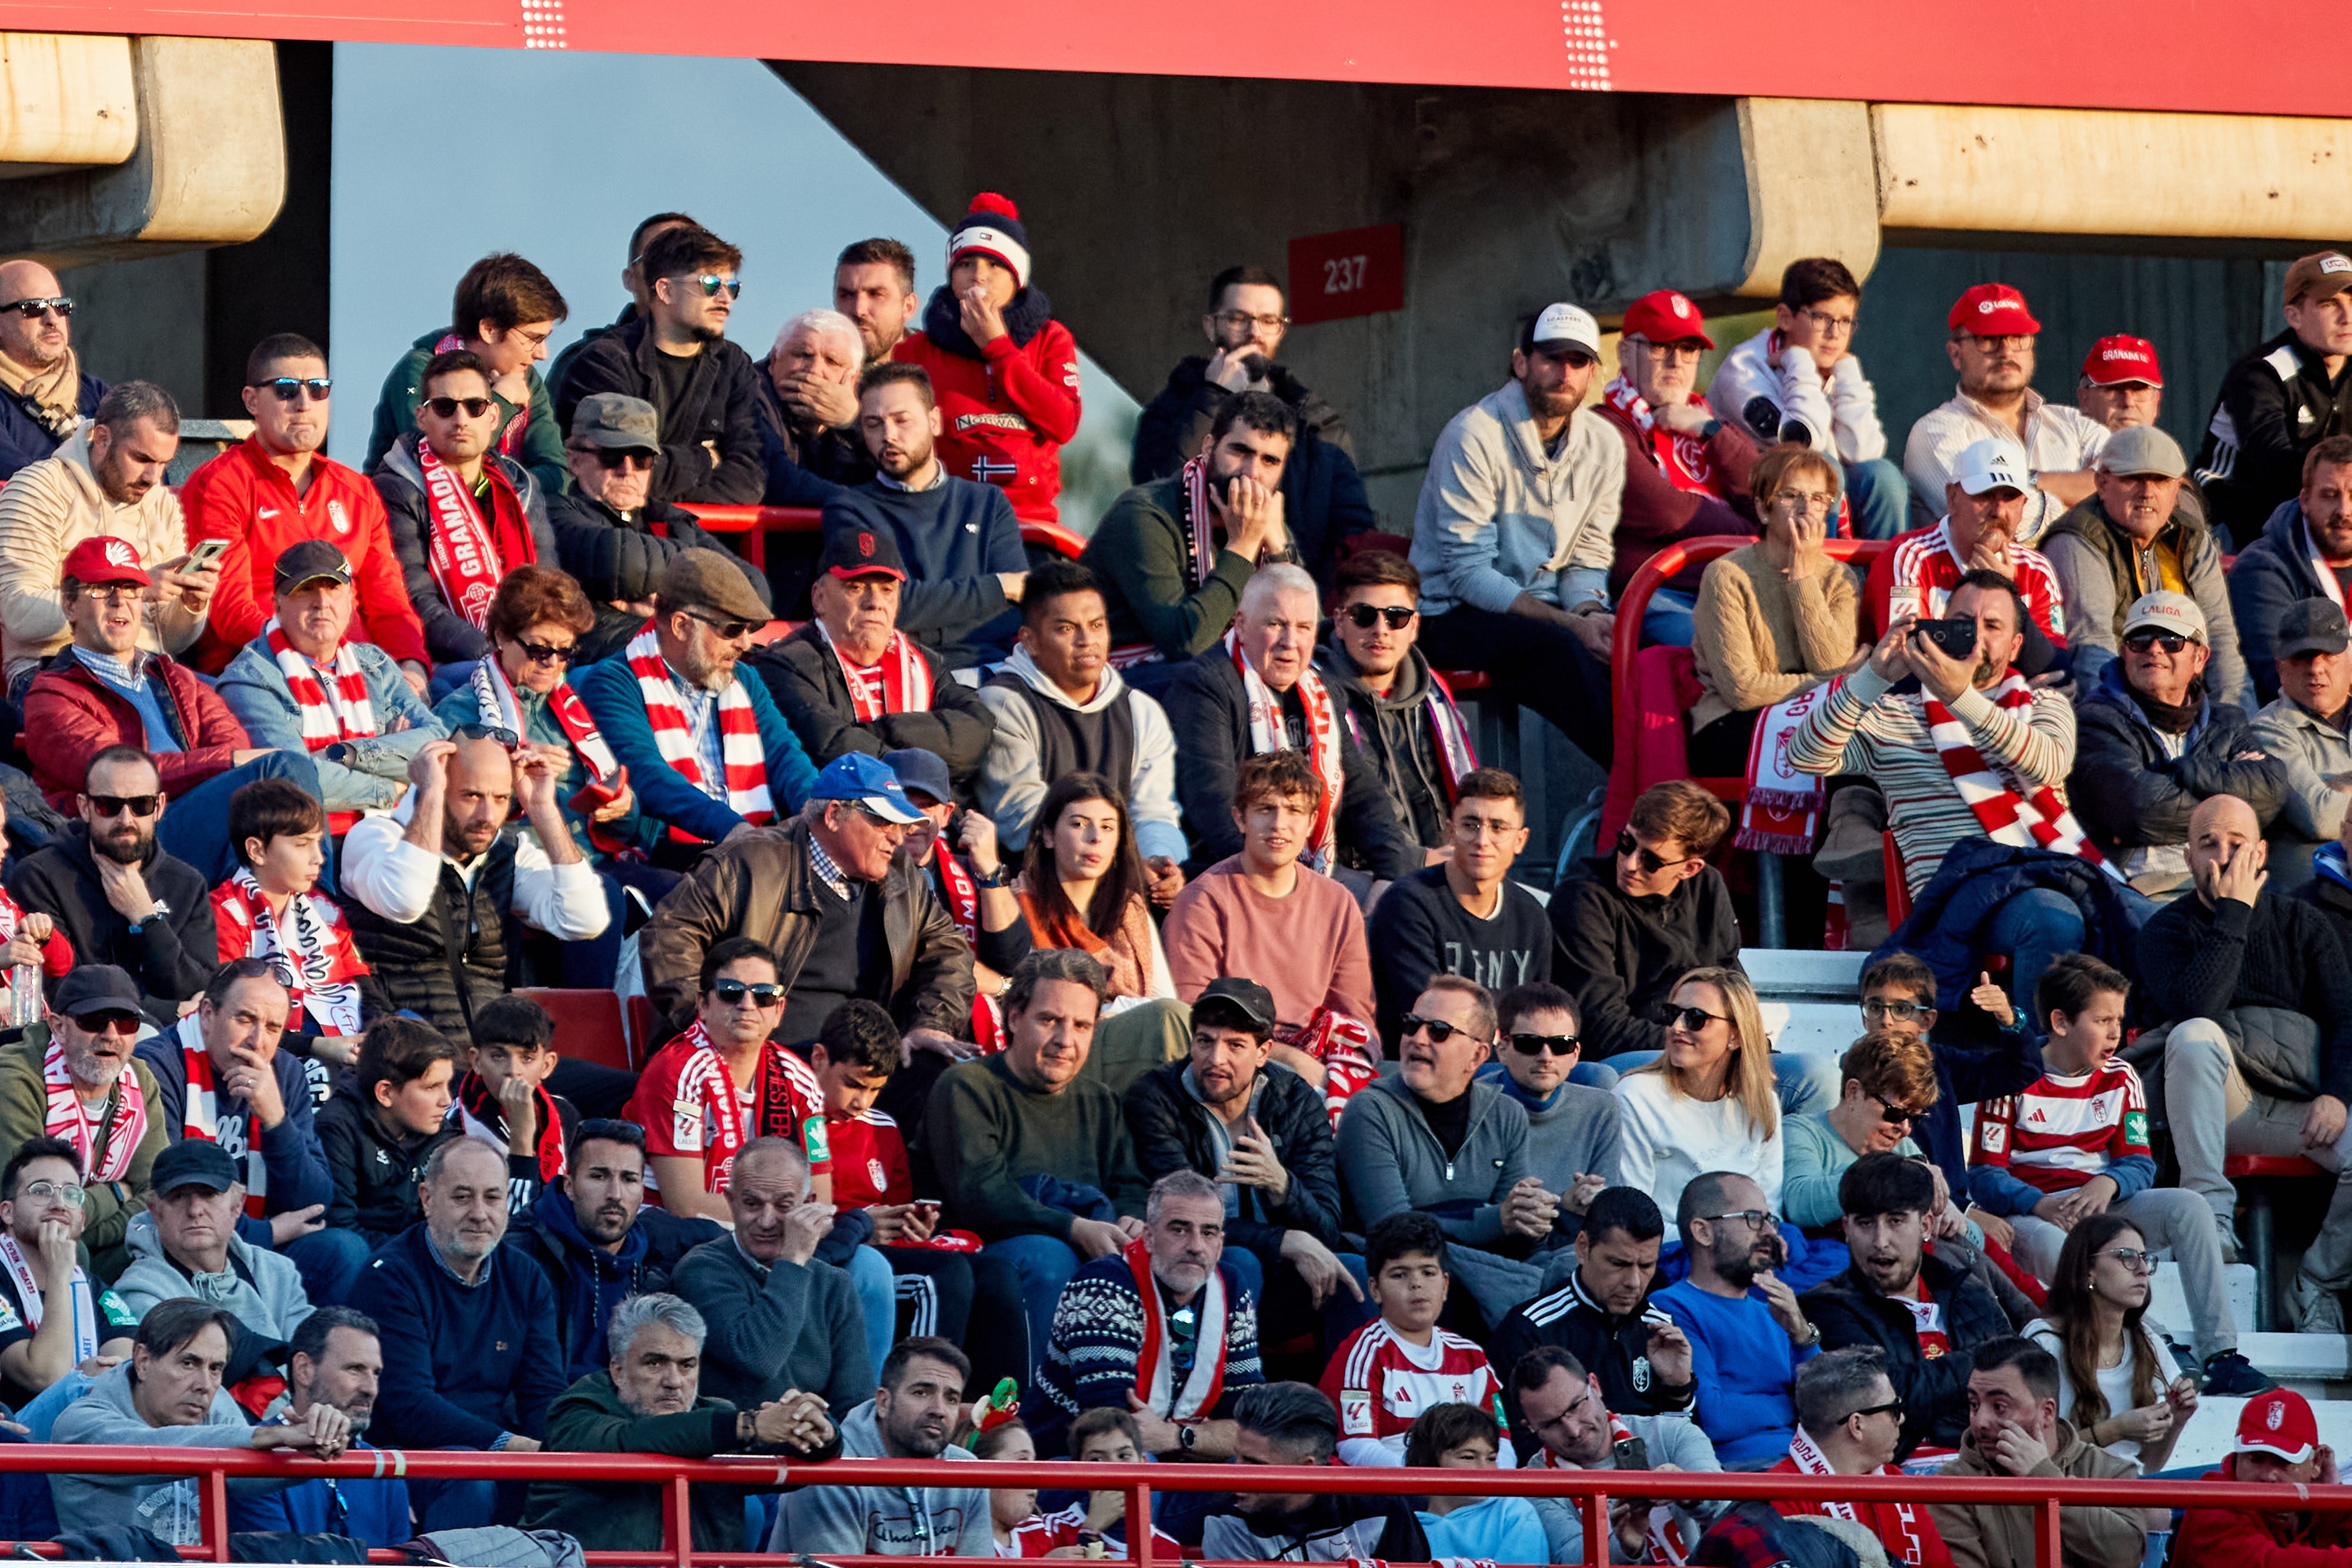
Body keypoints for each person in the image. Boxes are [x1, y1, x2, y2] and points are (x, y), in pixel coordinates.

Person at [1786, 569, 2095, 1017]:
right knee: (2051, 916)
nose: (1977, 636)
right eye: (1964, 621)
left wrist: (1959, 697)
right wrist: (1873, 676)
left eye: (1994, 626)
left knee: (2082, 915)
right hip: (1948, 902)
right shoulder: (1894, 714)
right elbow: (1805, 755)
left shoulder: (2044, 706)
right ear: (1937, 628)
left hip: (2031, 882)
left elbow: (2045, 763)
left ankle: (2045, 1063)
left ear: (2014, 647)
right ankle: (2039, 1068)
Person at [1976, 950, 2272, 1387]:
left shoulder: (2121, 1076)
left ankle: (2221, 1354)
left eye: (2119, 1019)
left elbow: (2138, 1161)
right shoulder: (2010, 1076)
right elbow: (1984, 1175)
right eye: (2102, 1021)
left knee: (2189, 1206)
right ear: (2060, 1023)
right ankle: (2155, 1343)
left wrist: (2107, 1182)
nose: (2116, 1032)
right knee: (2064, 1248)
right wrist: (2039, 1204)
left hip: (2105, 1206)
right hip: (2035, 1216)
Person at [2136, 791, 2352, 1326]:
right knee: (2193, 1033)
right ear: (2187, 858)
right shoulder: (2164, 930)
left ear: (2261, 852)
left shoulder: (2304, 923)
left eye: (2237, 843)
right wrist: (2233, 913)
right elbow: (2194, 1005)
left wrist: (2338, 1094)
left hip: (2298, 1105)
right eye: (2208, 843)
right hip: (2213, 1101)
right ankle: (2209, 1217)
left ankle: (2317, 1284)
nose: (2224, 856)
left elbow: (2348, 1019)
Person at [24, 536, 316, 884]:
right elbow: (120, 779)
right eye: (102, 590)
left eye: (132, 589)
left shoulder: (174, 676)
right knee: (284, 767)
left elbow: (233, 743)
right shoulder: (51, 695)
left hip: (200, 817)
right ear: (70, 606)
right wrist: (225, 764)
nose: (120, 602)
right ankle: (323, 902)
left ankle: (298, 905)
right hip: (133, 838)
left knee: (278, 786)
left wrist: (230, 763)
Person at [634, 752, 974, 1051]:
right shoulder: (747, 862)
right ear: (834, 815)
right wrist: (715, 1026)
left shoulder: (902, 875)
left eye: (900, 825)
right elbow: (668, 935)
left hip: (863, 1066)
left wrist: (931, 1024)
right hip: (764, 1056)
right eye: (883, 822)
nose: (898, 837)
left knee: (938, 1072)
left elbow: (950, 953)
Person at [1411, 303, 1622, 761]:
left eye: (1578, 361)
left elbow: (1587, 555)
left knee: (1637, 639)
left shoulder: (1605, 442)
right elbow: (1468, 574)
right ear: (1521, 362)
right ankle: (1642, 785)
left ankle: (1689, 774)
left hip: (1543, 609)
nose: (1564, 372)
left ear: (1592, 373)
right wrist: (1571, 626)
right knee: (1558, 648)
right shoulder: (1473, 434)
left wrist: (1588, 612)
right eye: (1551, 358)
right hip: (1447, 610)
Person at [927, 949, 1150, 1375]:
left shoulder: (1100, 1101)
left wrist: (1131, 1219)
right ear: (1014, 1017)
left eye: (1082, 1025)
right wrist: (1075, 1228)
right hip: (982, 1255)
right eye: (1050, 1020)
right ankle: (1036, 1417)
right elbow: (982, 1195)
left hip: (1083, 1245)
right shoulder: (967, 1086)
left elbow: (1132, 1185)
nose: (1066, 1040)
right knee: (1051, 1257)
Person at [1123, 977, 1361, 1355]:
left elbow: (1328, 1228)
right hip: (1200, 1260)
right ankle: (1223, 1398)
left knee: (1355, 1273)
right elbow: (1181, 1220)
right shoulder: (1156, 1099)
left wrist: (1282, 1185)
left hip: (1287, 1271)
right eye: (1205, 1041)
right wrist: (1285, 1241)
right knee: (1237, 1262)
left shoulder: (1297, 1102)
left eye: (1235, 1046)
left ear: (1264, 1052)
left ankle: (1349, 1404)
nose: (1216, 1059)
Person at [181, 333, 432, 684]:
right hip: (260, 673)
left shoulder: (357, 491)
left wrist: (411, 665)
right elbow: (231, 611)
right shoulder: (221, 484)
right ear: (252, 401)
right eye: (286, 389)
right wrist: (317, 664)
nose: (304, 403)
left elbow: (388, 603)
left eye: (318, 389)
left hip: (360, 674)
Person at [340, 736, 609, 1041]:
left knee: (620, 1089)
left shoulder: (509, 854)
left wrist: (543, 810)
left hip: (493, 1057)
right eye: (471, 796)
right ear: (438, 785)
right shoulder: (375, 837)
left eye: (501, 799)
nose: (488, 816)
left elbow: (585, 921)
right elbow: (405, 900)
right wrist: (428, 794)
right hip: (410, 1058)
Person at [525, 1292, 838, 1553]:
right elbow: (631, 1441)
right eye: (654, 1363)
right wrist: (749, 1426)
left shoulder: (716, 1416)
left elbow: (792, 1461)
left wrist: (815, 1430)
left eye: (687, 1365)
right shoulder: (574, 1411)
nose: (673, 1382)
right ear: (618, 1370)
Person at [1165, 563, 1418, 881]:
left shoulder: (1323, 689)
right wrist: (1290, 887)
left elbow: (1361, 791)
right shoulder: (1204, 686)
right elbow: (1215, 806)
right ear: (1240, 626)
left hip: (1312, 870)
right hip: (1229, 872)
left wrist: (1391, 876)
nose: (1290, 641)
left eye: (1304, 628)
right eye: (1276, 624)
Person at [806, 1000, 1018, 1372]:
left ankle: (1000, 1416)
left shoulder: (883, 1128)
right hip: (840, 1254)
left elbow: (898, 1210)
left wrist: (915, 1226)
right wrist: (858, 1227)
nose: (861, 1102)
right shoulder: (790, 1122)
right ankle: (914, 1409)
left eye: (875, 1090)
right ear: (820, 1059)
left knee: (998, 1275)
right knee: (941, 1278)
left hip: (888, 1252)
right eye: (853, 1085)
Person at [572, 547, 817, 865]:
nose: (745, 644)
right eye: (732, 629)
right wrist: (735, 830)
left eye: (750, 629)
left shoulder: (745, 679)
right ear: (681, 626)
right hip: (668, 856)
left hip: (753, 847)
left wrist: (819, 811)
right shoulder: (614, 681)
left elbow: (786, 756)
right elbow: (648, 776)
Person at [133, 958, 355, 1304]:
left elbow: (314, 1202)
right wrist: (270, 1232)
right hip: (181, 1251)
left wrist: (275, 1120)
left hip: (255, 1251)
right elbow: (163, 1198)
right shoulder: (158, 1064)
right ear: (207, 1014)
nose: (257, 1041)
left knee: (344, 1250)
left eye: (272, 1028)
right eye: (245, 1020)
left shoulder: (285, 1072)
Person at [1338, 976, 1556, 1326]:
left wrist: (1535, 1216)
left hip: (1479, 1274)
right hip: (1403, 1278)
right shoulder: (1370, 1110)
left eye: (1438, 1030)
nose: (1417, 1039)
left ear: (1478, 1055)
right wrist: (1493, 1219)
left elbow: (1512, 1237)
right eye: (1412, 1025)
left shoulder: (1506, 1115)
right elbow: (1395, 1229)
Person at [1131, 265, 1369, 582]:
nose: (1254, 333)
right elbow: (1157, 491)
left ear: (1281, 330)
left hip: (1295, 611)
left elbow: (1353, 537)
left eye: (1269, 321)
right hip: (1196, 600)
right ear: (1210, 326)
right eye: (1237, 319)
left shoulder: (1318, 423)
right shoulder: (1170, 412)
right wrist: (1212, 397)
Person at [48, 1299, 349, 1544]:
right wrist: (264, 1436)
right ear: (142, 1362)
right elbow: (156, 1449)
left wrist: (315, 1442)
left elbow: (244, 1475)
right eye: (188, 1363)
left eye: (216, 1368)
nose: (205, 1384)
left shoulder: (213, 1405)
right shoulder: (80, 1422)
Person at [977, 557, 1188, 888]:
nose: (1086, 641)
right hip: (1033, 896)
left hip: (1120, 888)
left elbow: (1154, 812)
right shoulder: (1003, 704)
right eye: (1066, 629)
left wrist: (1157, 860)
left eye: (1097, 625)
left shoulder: (1141, 711)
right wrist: (1127, 866)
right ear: (1029, 641)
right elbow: (1023, 821)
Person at [214, 540, 445, 838]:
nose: (322, 602)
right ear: (278, 604)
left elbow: (436, 744)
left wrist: (345, 754)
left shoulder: (376, 665)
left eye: (333, 588)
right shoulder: (249, 680)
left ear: (350, 599)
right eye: (306, 589)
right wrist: (391, 783)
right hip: (310, 843)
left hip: (394, 831)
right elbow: (295, 778)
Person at [0, 380, 213, 694]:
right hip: (53, 669)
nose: (153, 478)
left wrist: (190, 605)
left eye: (163, 463)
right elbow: (19, 613)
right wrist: (136, 588)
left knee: (235, 704)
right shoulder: (39, 489)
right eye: (141, 459)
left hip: (148, 669)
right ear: (101, 438)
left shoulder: (163, 504)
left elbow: (169, 639)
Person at [1033, 1169, 1262, 1459]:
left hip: (1174, 1458)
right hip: (1070, 1465)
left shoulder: (1232, 1287)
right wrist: (1208, 1436)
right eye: (1179, 1230)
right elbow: (1113, 1429)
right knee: (1136, 1462)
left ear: (1220, 1245)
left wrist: (1179, 1436)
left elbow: (1250, 1429)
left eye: (1208, 1232)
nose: (1195, 1246)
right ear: (1149, 1238)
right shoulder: (1103, 1284)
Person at [1162, 751, 1378, 1055]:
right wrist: (1286, 1057)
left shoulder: (1339, 903)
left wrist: (1349, 1067)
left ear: (1312, 822)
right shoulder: (1203, 900)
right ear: (1241, 818)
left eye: (1293, 811)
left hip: (1321, 1061)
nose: (1279, 824)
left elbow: (1354, 1015)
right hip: (1231, 1061)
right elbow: (1194, 1016)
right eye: (1266, 809)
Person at [362, 1136, 564, 1456]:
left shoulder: (525, 1277)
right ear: (427, 1200)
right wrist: (516, 1448)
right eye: (462, 1197)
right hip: (411, 1460)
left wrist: (556, 1456)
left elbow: (543, 1392)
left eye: (493, 1198)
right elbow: (411, 1406)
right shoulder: (389, 1278)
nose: (479, 1214)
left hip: (500, 1454)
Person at [2070, 590, 2284, 891]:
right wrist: (2235, 809)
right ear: (2124, 651)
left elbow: (2272, 792)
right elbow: (2139, 810)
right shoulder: (2096, 720)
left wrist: (2184, 771)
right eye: (2140, 640)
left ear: (2200, 658)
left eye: (2172, 640)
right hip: (2142, 888)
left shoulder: (2229, 721)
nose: (2154, 650)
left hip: (2234, 882)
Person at [824, 362, 1028, 670]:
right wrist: (997, 587)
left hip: (998, 670)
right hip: (905, 675)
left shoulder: (988, 502)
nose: (888, 435)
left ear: (935, 421)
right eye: (874, 424)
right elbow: (893, 607)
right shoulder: (850, 507)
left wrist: (929, 616)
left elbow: (1018, 606)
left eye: (901, 420)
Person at [434, 563, 639, 868]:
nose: (553, 664)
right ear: (502, 636)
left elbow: (626, 828)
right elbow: (448, 819)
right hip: (520, 868)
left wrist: (624, 806)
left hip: (596, 858)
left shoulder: (578, 706)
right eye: (539, 650)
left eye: (565, 652)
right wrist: (513, 774)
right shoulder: (460, 712)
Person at [1801, 1153, 2006, 1457]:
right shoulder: (1826, 1306)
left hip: (1990, 1465)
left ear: (1925, 1225)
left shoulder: (1967, 1291)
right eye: (1865, 1223)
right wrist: (1981, 1361)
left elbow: (2018, 1372)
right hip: (1899, 1480)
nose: (1880, 1241)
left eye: (1896, 1221)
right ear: (1846, 1228)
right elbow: (1891, 1399)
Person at [893, 193, 1081, 524]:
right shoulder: (916, 351)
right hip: (944, 522)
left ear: (1017, 278)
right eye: (966, 264)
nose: (978, 276)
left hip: (1030, 525)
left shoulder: (1051, 338)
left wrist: (998, 347)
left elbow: (1063, 423)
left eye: (994, 265)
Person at [751, 521, 992, 777]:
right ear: (818, 598)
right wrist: (923, 761)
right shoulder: (783, 666)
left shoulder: (924, 663)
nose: (875, 603)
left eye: (887, 590)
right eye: (855, 588)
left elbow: (976, 733)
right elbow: (835, 750)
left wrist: (881, 730)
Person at [548, 392, 771, 666]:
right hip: (610, 668)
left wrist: (668, 605)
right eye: (612, 456)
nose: (627, 470)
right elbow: (622, 561)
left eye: (642, 458)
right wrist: (702, 595)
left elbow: (754, 594)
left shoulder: (670, 520)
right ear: (575, 460)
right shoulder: (556, 512)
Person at [1591, 289, 1761, 644]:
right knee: (1715, 652)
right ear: (1624, 352)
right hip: (1658, 593)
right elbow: (1666, 511)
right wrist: (1752, 532)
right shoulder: (1606, 426)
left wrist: (1708, 430)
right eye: (1658, 346)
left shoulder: (1708, 421)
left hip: (1736, 589)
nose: (1676, 361)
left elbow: (1768, 494)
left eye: (1688, 349)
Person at [1085, 391, 1301, 670]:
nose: (1253, 472)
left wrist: (1279, 554)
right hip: (1128, 679)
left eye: (1269, 461)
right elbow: (1186, 643)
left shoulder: (1269, 524)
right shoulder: (1145, 514)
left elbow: (1308, 647)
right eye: (1240, 451)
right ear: (1209, 447)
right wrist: (1243, 547)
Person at [373, 349, 559, 671]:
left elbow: (551, 589)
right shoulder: (395, 490)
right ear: (421, 418)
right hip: (446, 664)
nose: (460, 420)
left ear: (493, 417)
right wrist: (496, 655)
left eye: (475, 407)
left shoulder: (522, 489)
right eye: (445, 408)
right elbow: (416, 602)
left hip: (527, 658)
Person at [554, 223, 765, 506]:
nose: (725, 298)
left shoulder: (734, 365)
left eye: (733, 288)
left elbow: (752, 481)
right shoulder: (604, 362)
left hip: (705, 539)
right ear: (664, 290)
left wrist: (661, 485)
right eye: (710, 284)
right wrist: (707, 459)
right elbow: (616, 471)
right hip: (620, 535)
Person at [501, 1118, 726, 1385]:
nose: (615, 1194)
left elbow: (737, 1240)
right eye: (599, 1176)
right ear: (569, 1186)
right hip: (552, 1413)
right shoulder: (524, 1253)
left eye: (629, 1179)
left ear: (642, 1191)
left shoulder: (658, 1251)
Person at [1686, 443, 1863, 776]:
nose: (1806, 508)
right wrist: (1832, 682)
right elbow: (1742, 690)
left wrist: (1803, 577)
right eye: (1791, 495)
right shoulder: (1726, 575)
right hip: (1732, 722)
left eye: (1818, 498)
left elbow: (1831, 662)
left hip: (1818, 719)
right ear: (1764, 509)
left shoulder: (1841, 577)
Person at [626, 937, 833, 1219]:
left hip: (767, 1237)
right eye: (731, 991)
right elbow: (687, 1206)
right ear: (703, 1005)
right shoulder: (676, 1072)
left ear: (779, 1011)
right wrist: (781, 1217)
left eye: (764, 995)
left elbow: (820, 1201)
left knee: (869, 1263)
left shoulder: (801, 1081)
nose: (747, 1004)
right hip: (677, 1236)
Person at [8, 748, 216, 1028]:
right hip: (80, 1037)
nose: (126, 820)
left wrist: (146, 918)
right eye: (109, 805)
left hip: (178, 1041)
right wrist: (170, 1012)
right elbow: (64, 989)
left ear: (160, 806)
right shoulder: (40, 876)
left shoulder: (187, 883)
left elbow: (199, 988)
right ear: (84, 807)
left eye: (141, 805)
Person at [2043, 424, 2249, 703]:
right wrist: (2127, 730)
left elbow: (2220, 636)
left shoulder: (2191, 537)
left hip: (2185, 707)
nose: (2147, 492)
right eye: (2133, 478)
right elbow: (2093, 652)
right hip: (2117, 709)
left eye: (2160, 480)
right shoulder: (2076, 540)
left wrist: (2234, 718)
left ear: (2177, 488)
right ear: (2103, 483)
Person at [667, 1135, 873, 1414]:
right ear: (730, 1201)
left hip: (814, 1449)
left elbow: (855, 1404)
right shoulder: (701, 1269)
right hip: (731, 1450)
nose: (766, 1221)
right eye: (752, 1204)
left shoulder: (834, 1284)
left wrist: (826, 1435)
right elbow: (758, 1357)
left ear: (808, 1204)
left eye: (783, 1207)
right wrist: (792, 1262)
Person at [1709, 257, 1909, 540]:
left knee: (1883, 477)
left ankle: (1883, 579)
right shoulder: (1744, 370)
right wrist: (1800, 362)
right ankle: (1817, 578)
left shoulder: (1837, 367)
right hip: (1756, 506)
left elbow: (1863, 452)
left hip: (1815, 498)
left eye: (1845, 322)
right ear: (1785, 318)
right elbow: (1805, 441)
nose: (1835, 334)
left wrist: (1848, 372)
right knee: (1823, 470)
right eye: (1821, 318)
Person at [1362, 760, 1551, 1054]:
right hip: (1427, 1065)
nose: (1482, 840)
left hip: (1509, 1070)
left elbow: (1540, 1017)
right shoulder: (1408, 904)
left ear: (1520, 840)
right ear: (1450, 831)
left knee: (1597, 1079)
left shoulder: (1531, 917)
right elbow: (1434, 1021)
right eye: (1470, 825)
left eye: (1498, 827)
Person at [1550, 781, 1745, 1061]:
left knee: (1812, 1074)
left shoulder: (1708, 888)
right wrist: (1709, 1046)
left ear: (1690, 869)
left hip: (1700, 1050)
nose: (1630, 864)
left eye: (1651, 861)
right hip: (1621, 1060)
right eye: (1626, 843)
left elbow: (1732, 988)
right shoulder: (1583, 898)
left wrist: (1743, 1045)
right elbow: (1601, 1028)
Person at [1903, 284, 2108, 541]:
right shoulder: (1935, 432)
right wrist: (2094, 504)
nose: (2007, 351)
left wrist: (2032, 481)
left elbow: (2127, 483)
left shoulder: (2075, 424)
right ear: (1956, 355)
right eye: (1988, 339)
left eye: (2018, 337)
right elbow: (2001, 524)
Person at [1863, 439, 2070, 692]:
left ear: (2023, 506)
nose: (1998, 511)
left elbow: (2056, 671)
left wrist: (2008, 595)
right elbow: (1904, 665)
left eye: (2010, 497)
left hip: (2013, 715)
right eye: (1985, 496)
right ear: (1952, 498)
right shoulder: (1910, 556)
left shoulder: (2037, 569)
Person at [213, 777, 379, 1093]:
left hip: (345, 1044)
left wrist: (373, 1037)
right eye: (302, 845)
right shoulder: (224, 912)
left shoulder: (324, 909)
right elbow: (231, 1018)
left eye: (319, 842)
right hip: (279, 1055)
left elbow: (365, 989)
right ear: (257, 850)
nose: (319, 857)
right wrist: (317, 1045)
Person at [1314, 550, 1480, 861]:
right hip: (1356, 875)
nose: (1381, 629)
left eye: (1396, 617)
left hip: (1447, 866)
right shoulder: (1313, 698)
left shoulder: (1435, 696)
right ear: (1338, 621)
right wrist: (1416, 862)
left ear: (1414, 626)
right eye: (1364, 615)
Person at [366, 252, 573, 499]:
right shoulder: (420, 371)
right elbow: (437, 468)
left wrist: (500, 489)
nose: (542, 354)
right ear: (489, 330)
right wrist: (501, 402)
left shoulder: (524, 377)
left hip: (505, 525)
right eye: (532, 339)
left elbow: (557, 473)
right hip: (415, 523)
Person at [1929, 1338, 2148, 1568]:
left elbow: (2126, 1556)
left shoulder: (2108, 1469)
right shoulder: (1950, 1487)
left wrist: (2044, 1478)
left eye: (1999, 1407)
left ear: (2047, 1412)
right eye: (1974, 1404)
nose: (1980, 1421)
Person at [1653, 1169, 1823, 1465]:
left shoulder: (1773, 1311)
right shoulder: (1671, 1306)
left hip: (1810, 1468)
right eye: (1753, 1219)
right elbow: (1716, 1417)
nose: (1770, 1232)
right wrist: (1795, 1406)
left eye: (1770, 1220)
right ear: (1703, 1232)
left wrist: (1802, 1336)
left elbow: (1827, 1411)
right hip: (1745, 1475)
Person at [1486, 1183, 1690, 1425]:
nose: (1634, 1283)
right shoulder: (1531, 1330)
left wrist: (1679, 1388)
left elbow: (1679, 1436)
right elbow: (1516, 1437)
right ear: (1582, 1248)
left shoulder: (1661, 1328)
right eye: (1619, 1264)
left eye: (1646, 1266)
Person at [775, 1335, 995, 1556]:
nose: (939, 1409)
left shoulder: (967, 1471)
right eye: (921, 1392)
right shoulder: (830, 1472)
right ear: (883, 1403)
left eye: (951, 1399)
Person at [1318, 1212, 1508, 1467]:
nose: (1416, 1284)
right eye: (1399, 1275)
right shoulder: (1364, 1354)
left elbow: (1503, 1444)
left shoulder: (1473, 1357)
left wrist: (1489, 1487)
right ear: (1375, 1289)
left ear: (1445, 1286)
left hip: (1475, 1493)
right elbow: (1355, 1447)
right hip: (1399, 1498)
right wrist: (1433, 1483)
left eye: (1428, 1272)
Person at [1507, 1343, 1723, 1565]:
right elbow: (1568, 1554)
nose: (1573, 1430)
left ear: (1595, 1386)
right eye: (1551, 1423)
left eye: (1576, 1407)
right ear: (1531, 1427)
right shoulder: (1533, 1483)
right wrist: (1625, 1546)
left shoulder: (1671, 1433)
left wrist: (1687, 1492)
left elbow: (1724, 1506)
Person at [1853, 951, 2043, 1202]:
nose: (1886, 1020)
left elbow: (2022, 1069)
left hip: (1952, 1203)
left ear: (1927, 1020)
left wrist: (2009, 1019)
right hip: (1888, 1204)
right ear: (1864, 1015)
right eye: (1876, 1007)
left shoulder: (1942, 1065)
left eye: (1902, 1009)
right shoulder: (1851, 1073)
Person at [2194, 250, 2352, 545]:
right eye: (2330, 304)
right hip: (2231, 521)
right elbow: (2273, 467)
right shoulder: (2260, 372)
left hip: (2323, 516)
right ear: (2294, 315)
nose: (2348, 317)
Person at [2021, 1213, 2199, 1470]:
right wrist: (2116, 1430)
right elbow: (2032, 1455)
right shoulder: (2045, 1343)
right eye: (2127, 1256)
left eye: (2145, 1259)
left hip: (2127, 1492)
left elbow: (2148, 1466)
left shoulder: (2147, 1341)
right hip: (2065, 1493)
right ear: (2087, 1271)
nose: (2143, 1270)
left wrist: (2177, 1420)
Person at [226, 1308, 412, 1549]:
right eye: (355, 1369)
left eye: (375, 1373)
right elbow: (274, 1563)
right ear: (304, 1370)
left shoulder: (386, 1471)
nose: (371, 1389)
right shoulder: (254, 1460)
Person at [884, 747, 1035, 1033]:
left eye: (926, 806)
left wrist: (990, 870)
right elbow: (917, 962)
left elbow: (1012, 958)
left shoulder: (968, 870)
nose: (911, 818)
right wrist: (1000, 985)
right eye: (900, 802)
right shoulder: (865, 872)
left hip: (971, 1025)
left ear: (946, 814)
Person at [1615, 967, 1783, 1215]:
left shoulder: (1763, 1102)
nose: (1677, 1028)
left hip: (1751, 1243)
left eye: (1696, 1018)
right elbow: (1635, 1219)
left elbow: (1771, 1208)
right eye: (1672, 1014)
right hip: (1671, 1248)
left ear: (1735, 1036)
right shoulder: (1635, 1097)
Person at [1201, 1382, 1429, 1562]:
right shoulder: (1226, 1519)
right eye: (1237, 1457)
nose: (1235, 1475)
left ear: (1306, 1470)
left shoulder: (1380, 1506)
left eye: (1254, 1464)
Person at [111, 1138, 314, 1338]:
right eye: (178, 1196)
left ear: (237, 1206)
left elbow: (310, 1361)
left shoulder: (279, 1274)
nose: (195, 1210)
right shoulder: (141, 1290)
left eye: (209, 1194)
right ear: (155, 1211)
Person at [1773, 1347, 1955, 1568]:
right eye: (1894, 1409)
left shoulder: (1897, 1483)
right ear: (1857, 1425)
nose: (1902, 1419)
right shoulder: (1780, 1497)